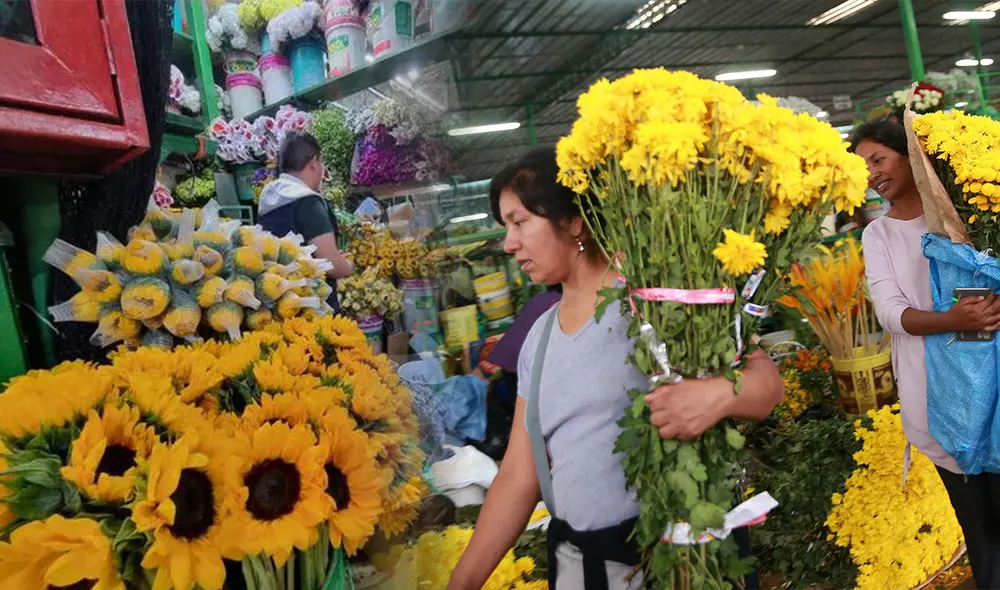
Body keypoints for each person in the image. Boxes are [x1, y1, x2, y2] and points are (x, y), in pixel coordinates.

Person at [447, 148, 784, 590]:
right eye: (506, 227)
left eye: (520, 222)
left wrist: (720, 395)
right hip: (582, 565)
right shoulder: (540, 337)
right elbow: (518, 474)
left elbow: (767, 386)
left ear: (574, 220)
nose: (509, 244)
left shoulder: (660, 301)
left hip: (681, 561)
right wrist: (463, 581)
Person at [852, 120, 1000, 588]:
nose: (872, 173)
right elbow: (892, 314)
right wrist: (954, 320)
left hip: (995, 386)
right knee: (981, 529)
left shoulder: (975, 216)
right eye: (864, 167)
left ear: (911, 155)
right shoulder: (879, 236)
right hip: (935, 396)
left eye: (879, 158)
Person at [258, 131, 354, 310]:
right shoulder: (308, 203)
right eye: (321, 161)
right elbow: (332, 265)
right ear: (313, 163)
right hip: (312, 307)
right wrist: (348, 266)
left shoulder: (269, 199)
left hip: (279, 303)